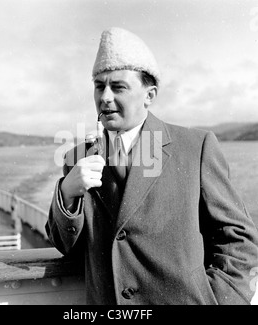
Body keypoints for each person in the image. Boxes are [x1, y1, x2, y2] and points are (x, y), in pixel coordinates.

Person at [46, 27, 258, 305]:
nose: (105, 97)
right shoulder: (78, 157)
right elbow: (65, 247)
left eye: (118, 87)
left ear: (149, 95)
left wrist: (218, 299)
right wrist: (67, 193)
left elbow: (240, 240)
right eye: (99, 86)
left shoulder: (195, 147)